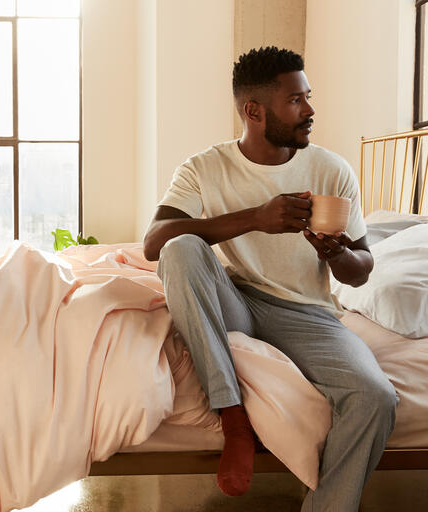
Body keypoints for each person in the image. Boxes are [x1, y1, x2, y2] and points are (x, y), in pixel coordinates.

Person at [143, 46, 397, 511]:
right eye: (296, 101)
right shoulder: (205, 167)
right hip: (237, 301)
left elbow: (361, 270)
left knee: (376, 397)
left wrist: (338, 254)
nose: (310, 110)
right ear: (254, 111)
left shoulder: (331, 169)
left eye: (308, 97)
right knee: (181, 247)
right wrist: (255, 218)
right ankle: (232, 416)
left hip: (308, 315)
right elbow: (154, 242)